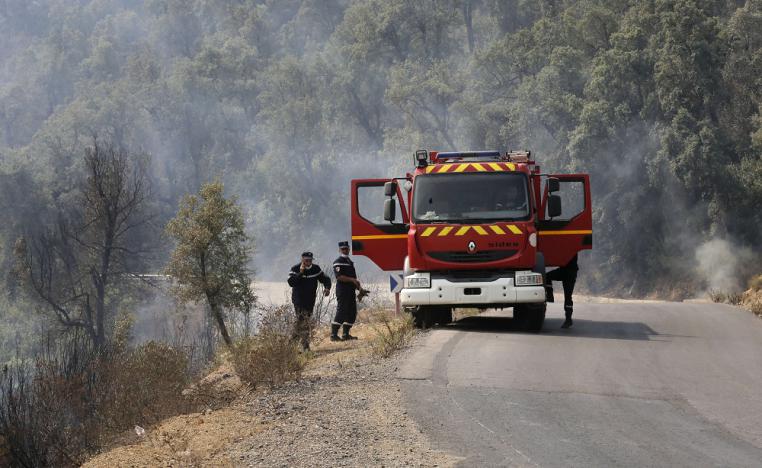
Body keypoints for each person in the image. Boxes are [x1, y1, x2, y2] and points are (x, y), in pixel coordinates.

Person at [287, 251, 331, 350]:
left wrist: (327, 288)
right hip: (298, 300)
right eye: (306, 260)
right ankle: (300, 346)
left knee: (305, 321)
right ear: (302, 259)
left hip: (310, 299)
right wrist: (301, 273)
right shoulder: (295, 268)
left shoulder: (315, 269)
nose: (308, 262)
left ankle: (294, 346)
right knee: (302, 320)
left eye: (310, 260)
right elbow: (291, 283)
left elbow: (325, 279)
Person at [331, 241, 361, 341]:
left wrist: (359, 288)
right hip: (342, 290)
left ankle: (346, 334)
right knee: (341, 311)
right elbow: (339, 277)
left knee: (352, 312)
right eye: (343, 249)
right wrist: (352, 280)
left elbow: (354, 278)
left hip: (350, 290)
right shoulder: (338, 261)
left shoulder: (349, 262)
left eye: (347, 248)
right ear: (339, 250)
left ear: (349, 249)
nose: (345, 250)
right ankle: (333, 335)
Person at [545, 254, 578, 328]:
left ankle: (550, 295)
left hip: (567, 272)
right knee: (568, 296)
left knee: (547, 277)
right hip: (569, 272)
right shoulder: (572, 248)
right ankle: (568, 319)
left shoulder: (568, 248)